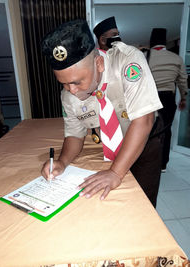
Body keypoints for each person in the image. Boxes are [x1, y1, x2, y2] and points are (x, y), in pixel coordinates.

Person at [41, 19, 163, 207]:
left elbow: (144, 120)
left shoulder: (127, 60)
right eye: (63, 83)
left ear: (98, 63)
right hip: (111, 146)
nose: (71, 90)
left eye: (77, 82)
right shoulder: (68, 95)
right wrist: (62, 162)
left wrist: (115, 173)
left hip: (145, 141)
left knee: (142, 203)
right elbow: (74, 135)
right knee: (112, 204)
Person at [148, 28, 188, 172]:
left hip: (149, 97)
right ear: (164, 42)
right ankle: (163, 164)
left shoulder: (146, 56)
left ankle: (148, 161)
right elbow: (183, 81)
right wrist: (183, 98)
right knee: (166, 130)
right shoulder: (176, 58)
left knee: (148, 129)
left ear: (151, 41)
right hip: (168, 99)